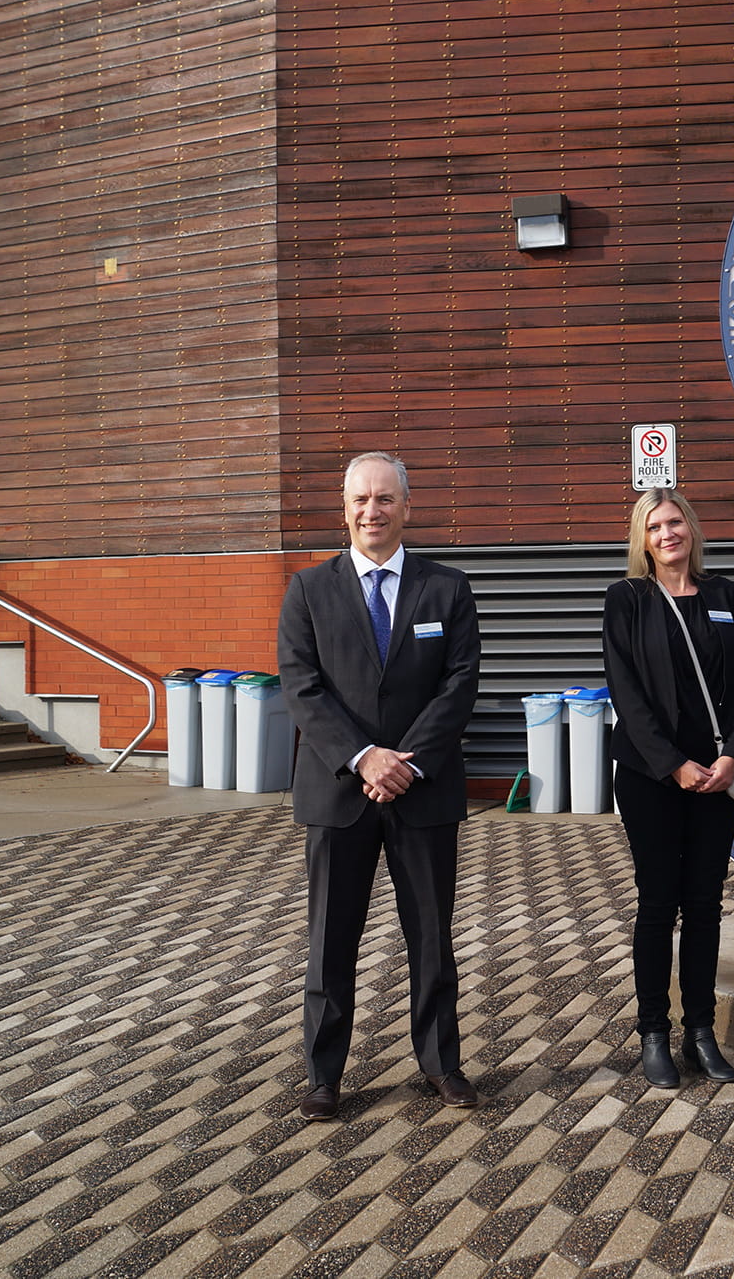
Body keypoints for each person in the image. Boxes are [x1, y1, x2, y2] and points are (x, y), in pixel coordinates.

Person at [278, 451, 482, 1121]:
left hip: (423, 792)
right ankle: (323, 1074)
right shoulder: (308, 590)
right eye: (362, 499)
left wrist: (406, 761)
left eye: (386, 498)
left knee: (431, 936)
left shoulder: (447, 589)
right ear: (344, 509)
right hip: (340, 794)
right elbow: (302, 687)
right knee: (331, 938)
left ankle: (441, 1062)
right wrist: (365, 758)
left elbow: (459, 685)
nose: (373, 510)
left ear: (407, 506)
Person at [601, 489, 734, 1089]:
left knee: (706, 905)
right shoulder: (627, 600)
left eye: (676, 523)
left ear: (691, 528)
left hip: (718, 776)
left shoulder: (723, 595)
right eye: (655, 526)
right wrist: (674, 765)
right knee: (657, 904)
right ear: (642, 540)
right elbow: (626, 692)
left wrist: (731, 754)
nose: (668, 534)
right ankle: (653, 1034)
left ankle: (701, 1032)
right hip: (652, 779)